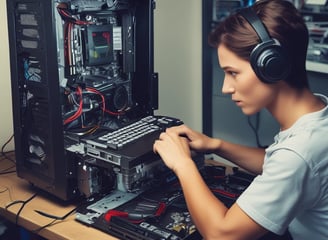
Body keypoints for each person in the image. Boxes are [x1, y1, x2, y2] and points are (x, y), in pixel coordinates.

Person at [153, 0, 328, 239]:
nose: (226, 87)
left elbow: (221, 235)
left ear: (272, 66)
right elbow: (276, 162)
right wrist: (216, 145)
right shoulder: (316, 116)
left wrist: (182, 164)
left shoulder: (299, 153)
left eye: (233, 73)